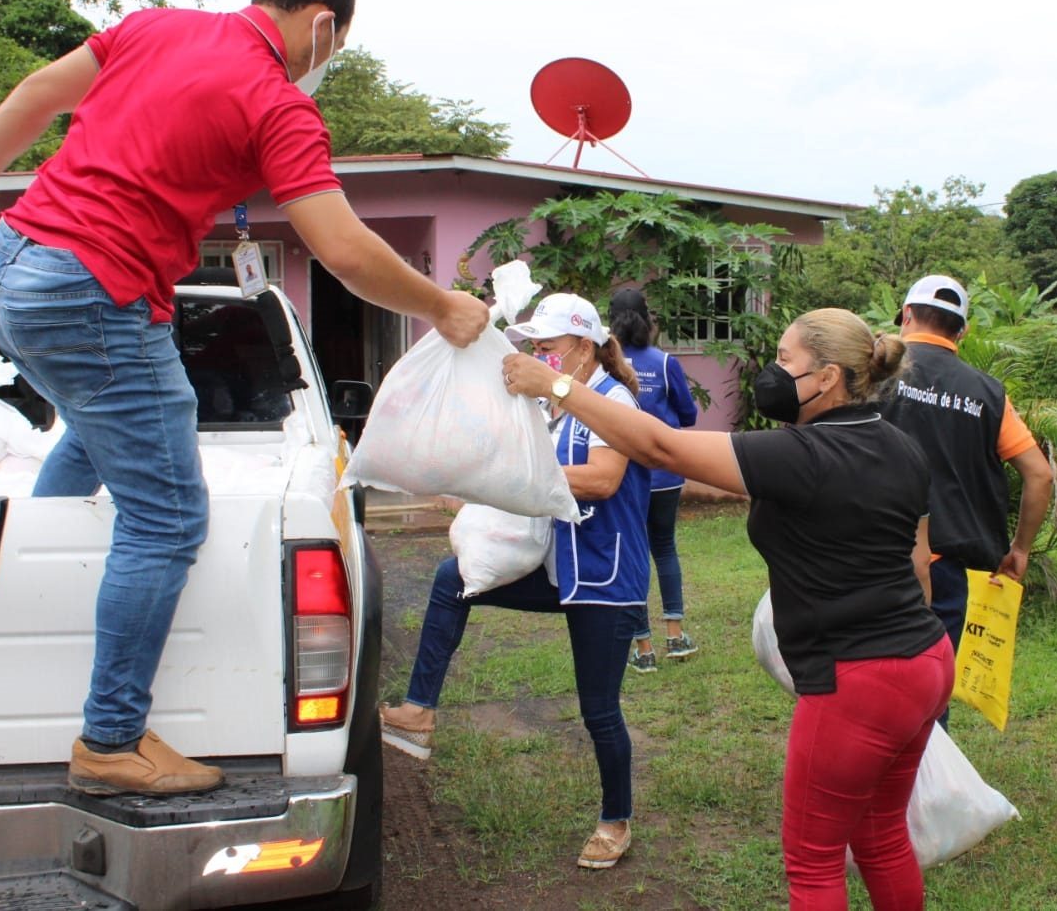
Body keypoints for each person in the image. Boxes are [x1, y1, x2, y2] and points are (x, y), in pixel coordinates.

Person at [0, 0, 490, 797]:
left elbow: (38, 92)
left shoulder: (155, 28)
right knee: (169, 517)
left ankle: (52, 551)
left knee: (122, 412)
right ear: (323, 24)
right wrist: (443, 307)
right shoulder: (278, 103)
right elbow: (343, 251)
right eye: (335, 45)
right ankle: (110, 740)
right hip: (88, 289)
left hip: (8, 265)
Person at [503, 308, 955, 911]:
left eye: (785, 359)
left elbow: (658, 443)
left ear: (825, 379)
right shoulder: (902, 444)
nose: (772, 371)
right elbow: (920, 562)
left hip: (857, 677)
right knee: (880, 832)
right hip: (925, 658)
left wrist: (554, 384)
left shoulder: (804, 452)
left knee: (814, 861)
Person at [379, 293, 651, 870]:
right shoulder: (556, 404)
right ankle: (419, 711)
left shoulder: (613, 398)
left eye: (548, 349)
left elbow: (603, 479)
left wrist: (515, 479)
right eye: (534, 349)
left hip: (605, 577)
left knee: (599, 710)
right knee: (453, 579)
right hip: (560, 569)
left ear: (582, 347)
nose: (538, 357)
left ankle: (615, 820)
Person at [880, 275, 1053, 725]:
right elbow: (1039, 475)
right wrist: (1020, 550)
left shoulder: (874, 374)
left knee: (870, 679)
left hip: (873, 554)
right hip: (950, 565)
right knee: (931, 689)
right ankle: (930, 781)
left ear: (907, 316)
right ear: (963, 331)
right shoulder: (988, 392)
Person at [607, 287, 700, 673]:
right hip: (664, 473)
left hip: (623, 473)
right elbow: (689, 416)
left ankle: (643, 647)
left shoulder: (605, 367)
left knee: (633, 553)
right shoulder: (664, 363)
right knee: (664, 548)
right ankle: (676, 636)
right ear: (647, 320)